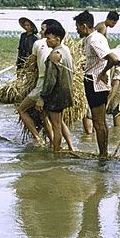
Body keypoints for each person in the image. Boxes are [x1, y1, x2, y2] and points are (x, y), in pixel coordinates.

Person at [74, 10, 119, 158]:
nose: (76, 29)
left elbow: (113, 59)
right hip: (93, 81)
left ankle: (103, 155)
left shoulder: (94, 40)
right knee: (101, 122)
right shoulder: (94, 37)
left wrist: (102, 73)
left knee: (98, 123)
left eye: (78, 26)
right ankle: (103, 153)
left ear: (85, 26)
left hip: (95, 83)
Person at [35, 19, 75, 152]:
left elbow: (50, 80)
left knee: (56, 125)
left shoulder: (54, 55)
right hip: (66, 91)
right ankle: (70, 148)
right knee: (60, 122)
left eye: (49, 38)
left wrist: (42, 97)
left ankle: (56, 152)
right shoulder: (66, 50)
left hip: (56, 94)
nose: (46, 41)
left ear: (57, 39)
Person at [17, 18, 56, 144]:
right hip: (54, 85)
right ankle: (55, 144)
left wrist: (27, 75)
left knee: (21, 110)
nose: (40, 31)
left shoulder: (38, 43)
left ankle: (38, 138)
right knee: (46, 115)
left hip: (42, 84)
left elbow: (31, 65)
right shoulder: (60, 45)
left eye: (43, 29)